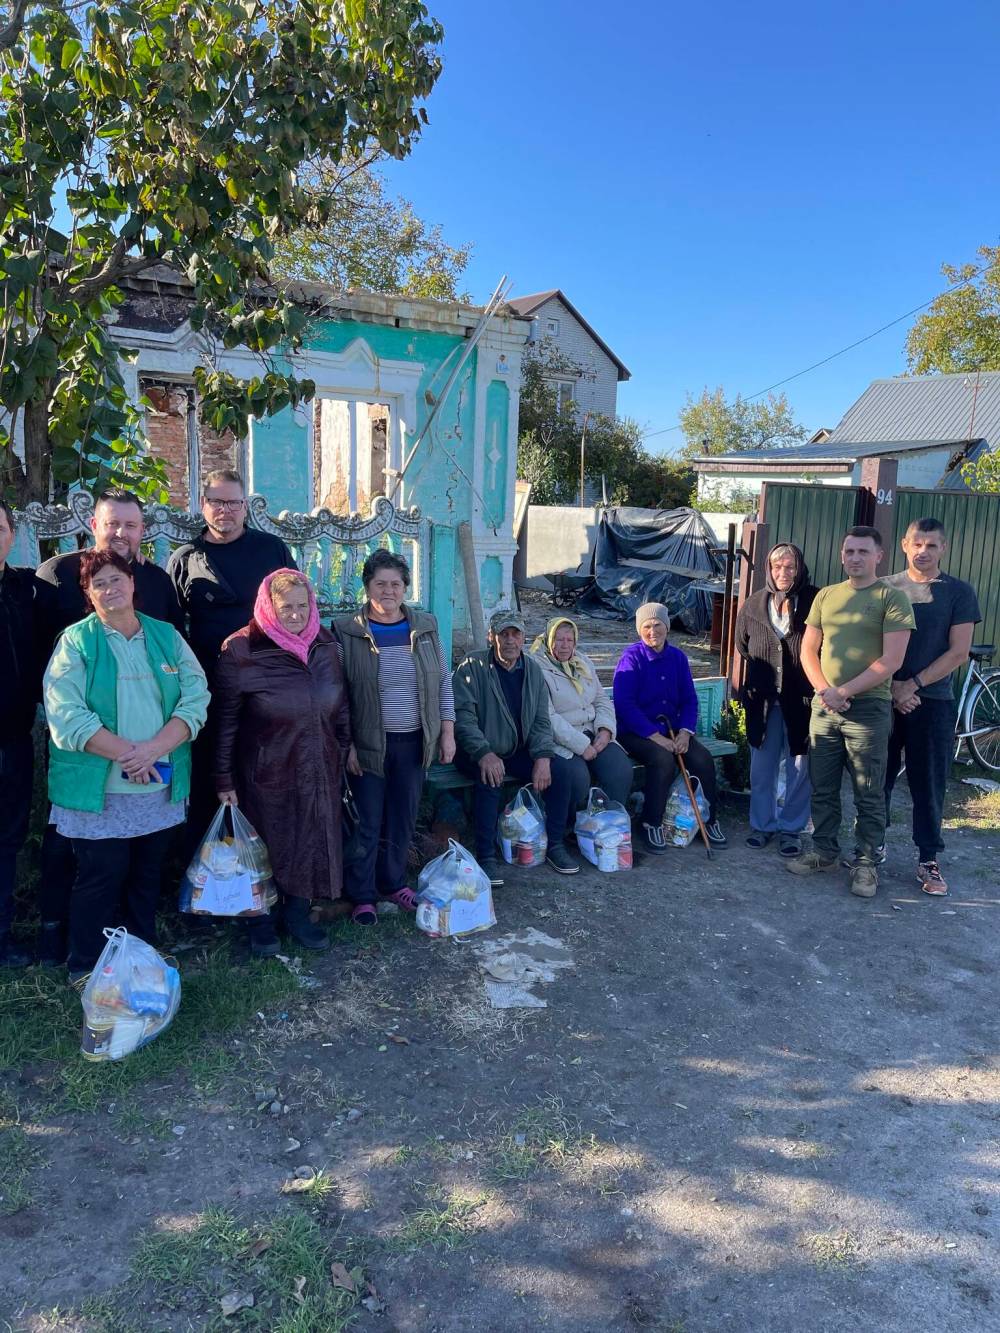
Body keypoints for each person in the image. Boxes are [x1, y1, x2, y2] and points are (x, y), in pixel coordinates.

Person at [43, 549, 209, 979]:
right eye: (98, 583)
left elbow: (196, 697)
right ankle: (87, 968)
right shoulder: (77, 641)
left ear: (133, 584)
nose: (110, 589)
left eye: (117, 579)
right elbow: (67, 715)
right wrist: (130, 755)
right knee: (100, 879)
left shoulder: (167, 636)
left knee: (145, 876)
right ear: (88, 593)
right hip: (102, 792)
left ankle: (141, 962)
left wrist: (153, 750)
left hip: (156, 783)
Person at [215, 570, 351, 955]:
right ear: (268, 607)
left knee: (309, 842)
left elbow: (340, 704)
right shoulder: (242, 650)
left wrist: (343, 749)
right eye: (285, 607)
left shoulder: (325, 644)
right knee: (264, 847)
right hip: (265, 770)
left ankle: (297, 915)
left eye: (302, 606)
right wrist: (222, 777)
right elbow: (224, 722)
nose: (295, 614)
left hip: (319, 766)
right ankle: (261, 925)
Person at [167, 470, 295, 842]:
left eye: (233, 502)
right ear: (203, 505)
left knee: (261, 771)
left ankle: (263, 868)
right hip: (207, 688)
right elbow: (173, 630)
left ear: (245, 507)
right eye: (217, 502)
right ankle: (208, 872)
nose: (226, 510)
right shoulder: (186, 558)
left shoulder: (271, 550)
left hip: (266, 684)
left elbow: (296, 610)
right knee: (210, 774)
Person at [789, 526, 914, 897]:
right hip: (824, 708)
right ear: (842, 555)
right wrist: (825, 692)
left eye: (863, 551)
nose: (855, 558)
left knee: (869, 789)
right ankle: (824, 851)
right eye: (849, 551)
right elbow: (808, 650)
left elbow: (892, 659)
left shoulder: (892, 598)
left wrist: (843, 691)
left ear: (879, 556)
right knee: (822, 786)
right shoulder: (827, 596)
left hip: (869, 709)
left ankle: (866, 862)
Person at [335, 550, 455, 926]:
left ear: (405, 587)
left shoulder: (425, 627)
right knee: (368, 820)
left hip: (415, 741)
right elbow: (337, 695)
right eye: (380, 583)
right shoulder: (348, 631)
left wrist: (447, 733)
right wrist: (348, 744)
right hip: (369, 744)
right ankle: (362, 895)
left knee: (403, 816)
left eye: (396, 584)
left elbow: (444, 682)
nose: (388, 590)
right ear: (367, 586)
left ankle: (392, 883)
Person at [882, 517, 981, 897]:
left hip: (933, 702)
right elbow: (871, 643)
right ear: (905, 545)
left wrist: (913, 684)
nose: (923, 552)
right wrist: (893, 687)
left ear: (944, 549)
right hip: (886, 700)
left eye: (932, 545)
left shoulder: (959, 592)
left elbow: (958, 652)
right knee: (879, 779)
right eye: (917, 544)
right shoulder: (885, 589)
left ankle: (928, 858)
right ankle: (872, 848)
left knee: (929, 784)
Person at [453, 609, 575, 882]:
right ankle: (485, 856)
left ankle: (555, 844)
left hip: (516, 749)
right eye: (503, 634)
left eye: (515, 634)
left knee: (562, 771)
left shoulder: (532, 669)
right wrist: (484, 752)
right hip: (478, 750)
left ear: (524, 638)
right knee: (490, 777)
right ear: (490, 637)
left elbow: (542, 721)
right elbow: (463, 718)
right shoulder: (471, 666)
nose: (509, 641)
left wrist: (543, 756)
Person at [613, 602, 727, 855]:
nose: (653, 631)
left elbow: (689, 699)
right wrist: (656, 738)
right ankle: (651, 821)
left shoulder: (677, 657)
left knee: (702, 759)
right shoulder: (632, 658)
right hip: (636, 731)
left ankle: (708, 820)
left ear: (666, 626)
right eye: (646, 626)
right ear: (639, 630)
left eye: (658, 625)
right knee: (663, 759)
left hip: (674, 730)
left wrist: (686, 732)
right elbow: (625, 705)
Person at [735, 544, 818, 857]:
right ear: (768, 570)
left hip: (802, 700)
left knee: (800, 768)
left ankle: (791, 829)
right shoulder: (755, 604)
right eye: (776, 567)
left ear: (800, 569)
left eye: (790, 567)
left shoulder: (814, 599)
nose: (783, 574)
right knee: (762, 768)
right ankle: (762, 824)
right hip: (764, 700)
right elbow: (744, 645)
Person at [529, 615, 634, 843]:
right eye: (558, 639)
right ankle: (570, 830)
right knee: (577, 779)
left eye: (569, 639)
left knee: (620, 770)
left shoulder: (583, 662)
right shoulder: (537, 668)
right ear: (548, 641)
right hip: (562, 738)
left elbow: (602, 700)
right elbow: (547, 716)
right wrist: (582, 745)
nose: (564, 645)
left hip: (593, 731)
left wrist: (605, 731)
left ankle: (608, 828)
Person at [0, 500, 50, 967]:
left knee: (7, 841)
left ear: (12, 535)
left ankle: (3, 937)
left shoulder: (24, 588)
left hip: (12, 739)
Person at [36, 488, 184, 640]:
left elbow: (175, 646)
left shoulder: (158, 582)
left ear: (141, 530)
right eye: (112, 524)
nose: (121, 533)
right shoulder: (57, 574)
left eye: (130, 525)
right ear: (94, 526)